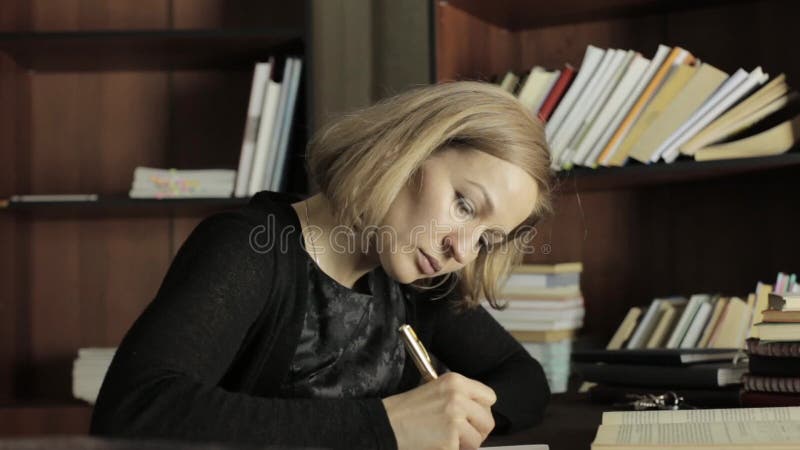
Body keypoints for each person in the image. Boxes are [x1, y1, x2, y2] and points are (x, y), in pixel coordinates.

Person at [90, 81, 554, 450]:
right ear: (403, 148)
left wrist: (456, 416)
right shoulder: (252, 247)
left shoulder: (418, 280)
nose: (463, 251)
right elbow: (133, 413)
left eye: (487, 239)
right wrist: (387, 426)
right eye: (465, 206)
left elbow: (524, 378)